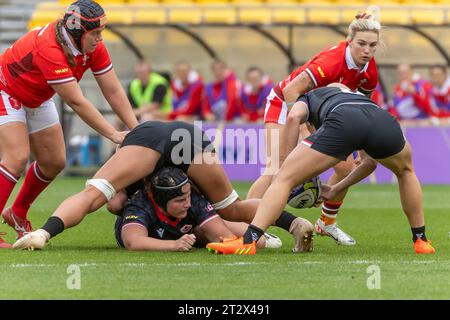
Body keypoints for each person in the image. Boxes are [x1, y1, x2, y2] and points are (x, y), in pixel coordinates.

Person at [206, 83, 436, 255]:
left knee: (283, 179)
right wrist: (336, 189)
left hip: (344, 119)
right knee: (406, 172)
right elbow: (369, 163)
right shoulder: (362, 97)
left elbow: (294, 116)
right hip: (382, 120)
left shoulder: (310, 96)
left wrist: (284, 163)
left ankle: (248, 240)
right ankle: (421, 240)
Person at [13, 120, 314, 251]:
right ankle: (294, 224)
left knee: (96, 196)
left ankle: (43, 233)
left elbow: (104, 201)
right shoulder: (140, 180)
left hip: (149, 138)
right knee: (232, 207)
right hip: (187, 135)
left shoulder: (128, 182)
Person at [0, 0, 138, 247]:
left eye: (100, 32)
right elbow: (77, 102)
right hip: (6, 90)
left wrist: (135, 129)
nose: (99, 38)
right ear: (76, 33)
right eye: (94, 33)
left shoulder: (92, 45)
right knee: (17, 157)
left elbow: (114, 90)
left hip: (37, 95)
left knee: (54, 162)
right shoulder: (49, 48)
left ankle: (17, 212)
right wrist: (115, 135)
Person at [247, 10, 381, 246]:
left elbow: (361, 107)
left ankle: (326, 222)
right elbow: (291, 91)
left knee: (348, 167)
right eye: (361, 44)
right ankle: (248, 226)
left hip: (320, 113)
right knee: (276, 168)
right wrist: (303, 130)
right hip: (285, 104)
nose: (367, 50)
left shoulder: (369, 71)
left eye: (373, 45)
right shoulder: (330, 62)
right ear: (349, 41)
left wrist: (361, 150)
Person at [114, 166, 281, 251]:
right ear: (160, 201)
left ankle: (261, 231)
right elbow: (133, 241)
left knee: (257, 243)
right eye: (180, 200)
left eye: (187, 197)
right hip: (175, 235)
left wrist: (241, 242)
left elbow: (227, 239)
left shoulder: (192, 200)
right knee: (114, 204)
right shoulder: (139, 205)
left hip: (189, 229)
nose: (187, 203)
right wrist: (174, 245)